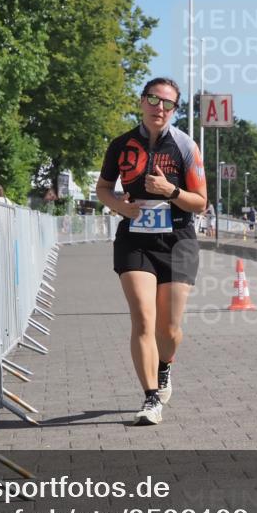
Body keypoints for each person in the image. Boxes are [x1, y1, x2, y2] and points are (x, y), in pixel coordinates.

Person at [95, 77, 207, 425]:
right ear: (142, 102)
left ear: (175, 110)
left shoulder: (185, 147)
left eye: (168, 103)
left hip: (177, 241)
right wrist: (119, 206)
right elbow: (103, 188)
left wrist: (170, 191)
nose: (160, 108)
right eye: (154, 100)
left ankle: (164, 366)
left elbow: (201, 203)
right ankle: (150, 398)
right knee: (143, 319)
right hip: (135, 239)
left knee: (168, 329)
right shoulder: (121, 145)